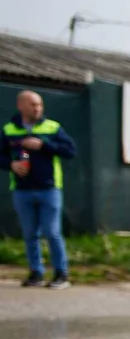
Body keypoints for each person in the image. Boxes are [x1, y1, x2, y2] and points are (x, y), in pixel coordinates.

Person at [3, 90, 77, 288]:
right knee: (29, 234)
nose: (37, 109)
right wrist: (11, 164)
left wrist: (44, 145)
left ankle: (61, 274)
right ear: (21, 106)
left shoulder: (52, 127)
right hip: (22, 190)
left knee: (52, 232)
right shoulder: (9, 129)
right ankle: (36, 273)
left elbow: (70, 151)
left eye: (40, 105)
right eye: (33, 105)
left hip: (49, 189)